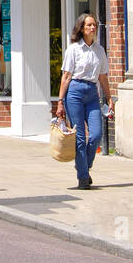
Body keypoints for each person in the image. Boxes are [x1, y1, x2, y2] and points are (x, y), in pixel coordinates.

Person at [53, 13, 114, 191]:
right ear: (81, 28)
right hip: (75, 92)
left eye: (94, 25)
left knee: (95, 135)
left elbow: (103, 77)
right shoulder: (73, 49)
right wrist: (60, 102)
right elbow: (66, 76)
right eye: (89, 25)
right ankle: (83, 178)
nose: (92, 28)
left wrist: (109, 98)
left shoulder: (99, 50)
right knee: (79, 138)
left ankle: (83, 166)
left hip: (92, 93)